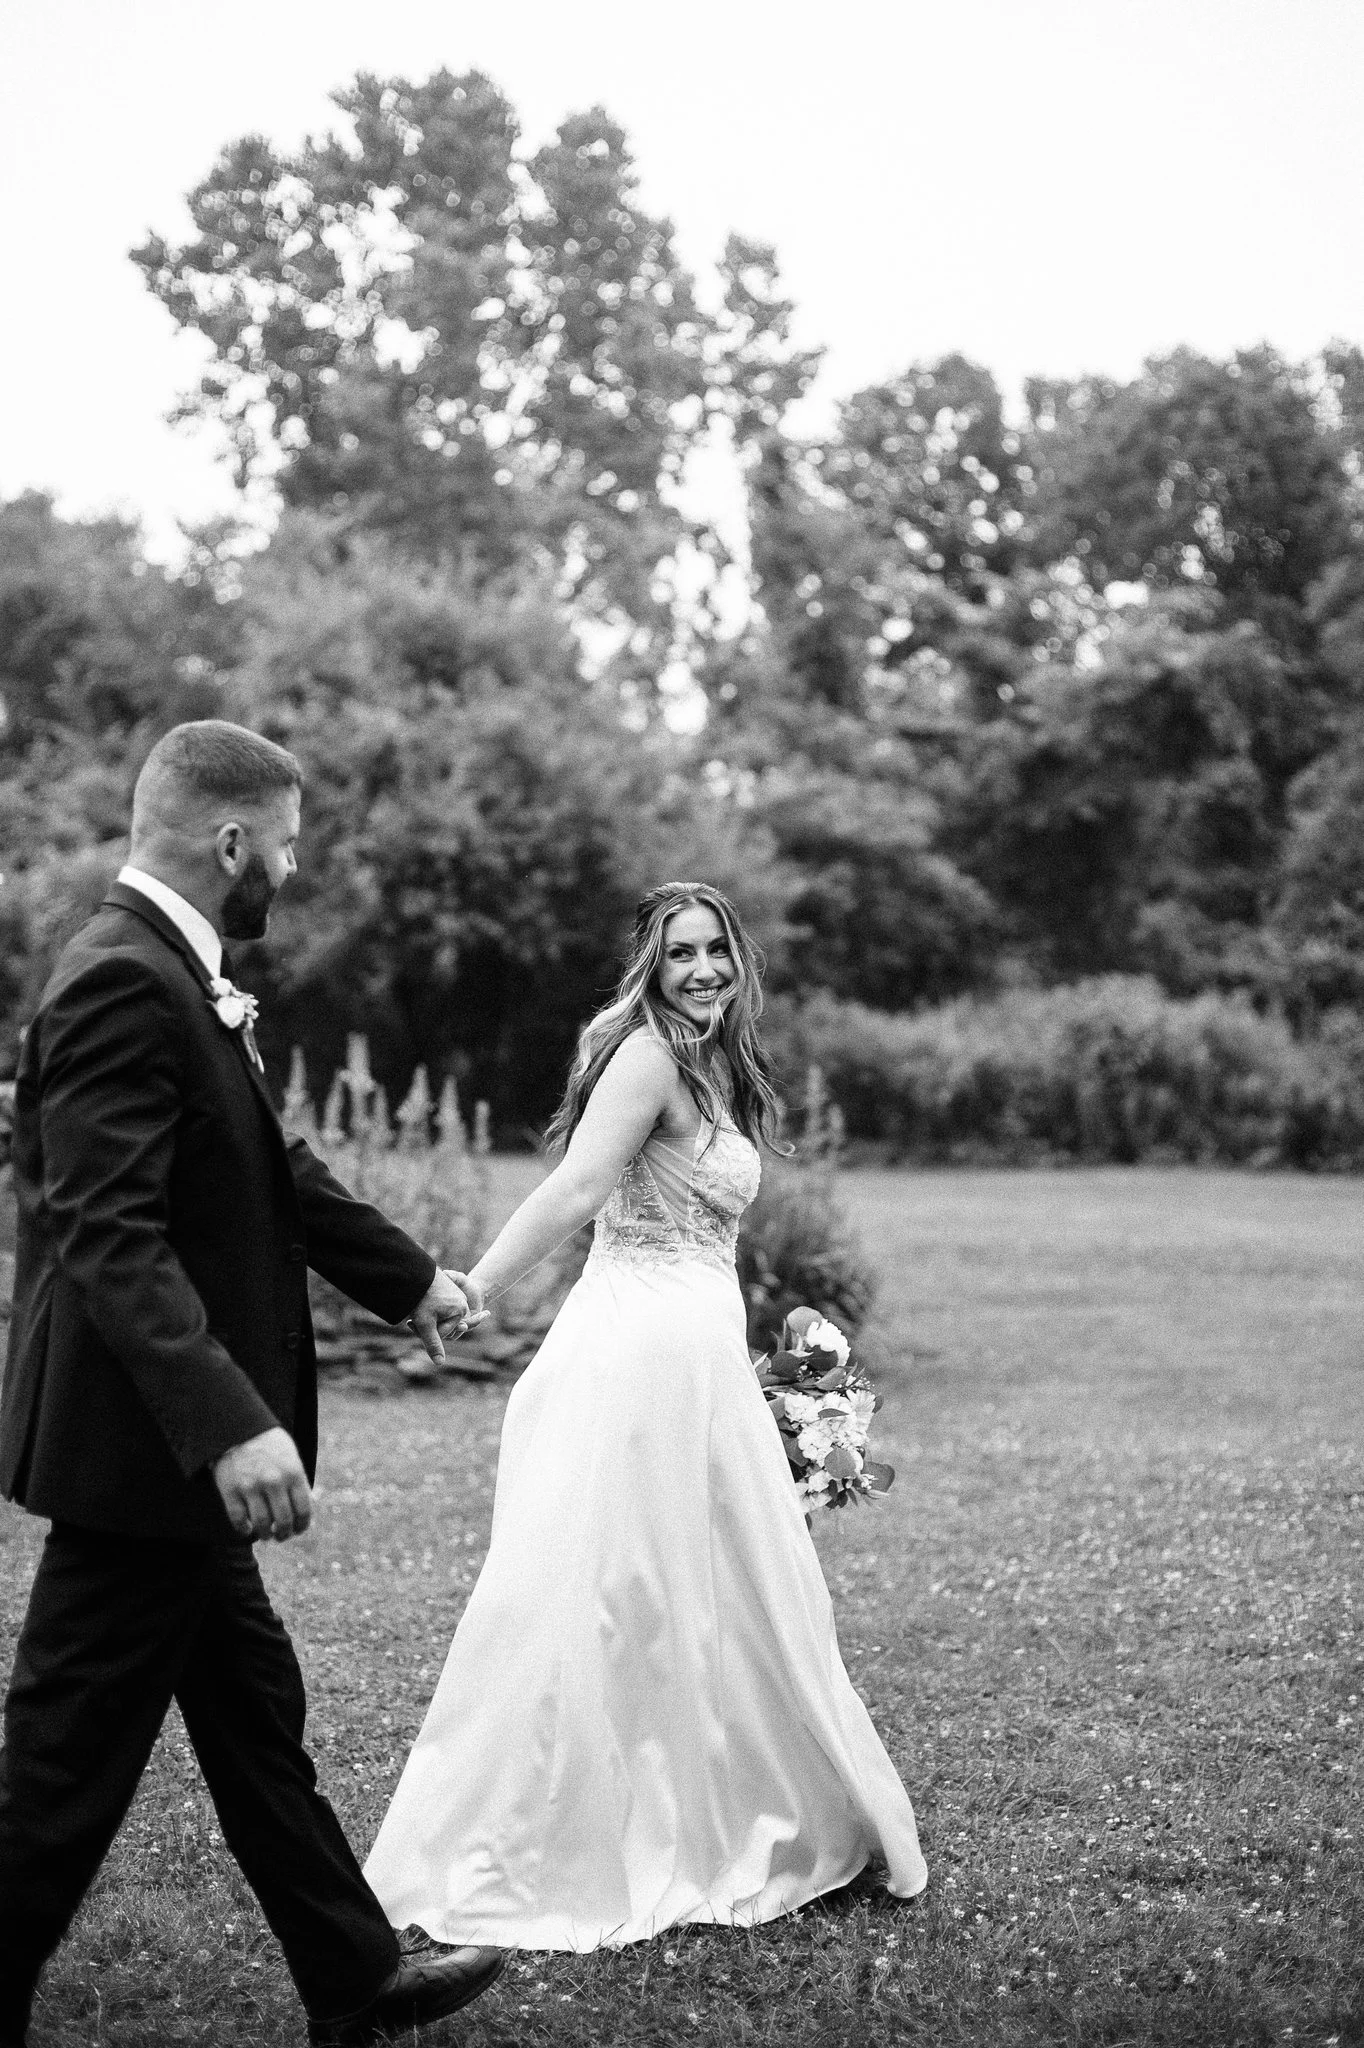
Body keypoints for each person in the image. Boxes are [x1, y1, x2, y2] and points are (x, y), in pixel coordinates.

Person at [0, 721, 503, 2048]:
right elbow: (109, 1233)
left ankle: (353, 1975)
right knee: (61, 1767)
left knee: (253, 1717)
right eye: (284, 843)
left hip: (162, 1462)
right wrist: (229, 1423)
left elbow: (264, 1169)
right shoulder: (124, 980)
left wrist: (413, 1279)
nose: (290, 865)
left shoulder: (172, 970)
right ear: (231, 842)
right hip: (143, 1453)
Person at [364, 881, 928, 1949]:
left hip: (696, 1354)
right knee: (621, 1586)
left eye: (716, 949)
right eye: (680, 953)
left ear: (738, 959)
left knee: (716, 1586)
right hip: (636, 1354)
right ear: (651, 966)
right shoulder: (647, 1057)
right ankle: (581, 1828)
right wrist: (475, 1286)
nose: (702, 968)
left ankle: (719, 1800)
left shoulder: (715, 1062)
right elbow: (577, 1190)